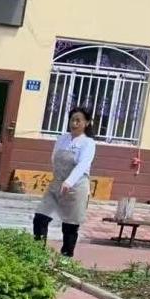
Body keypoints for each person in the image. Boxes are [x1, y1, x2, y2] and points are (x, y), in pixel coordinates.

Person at [33, 107, 96, 258]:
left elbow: (83, 165)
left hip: (76, 187)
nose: (74, 123)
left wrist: (69, 181)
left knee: (70, 225)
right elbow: (54, 158)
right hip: (57, 184)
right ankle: (37, 254)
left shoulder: (88, 143)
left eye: (78, 120)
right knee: (40, 217)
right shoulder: (62, 139)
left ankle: (65, 258)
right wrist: (59, 178)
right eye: (72, 120)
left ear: (86, 123)